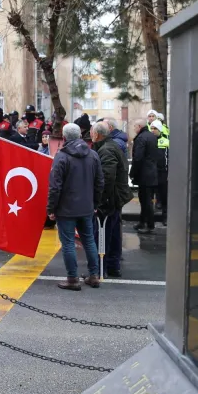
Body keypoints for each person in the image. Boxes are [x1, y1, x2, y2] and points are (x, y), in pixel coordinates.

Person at [47, 123, 104, 290]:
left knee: (68, 243)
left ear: (64, 138)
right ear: (80, 135)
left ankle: (72, 279)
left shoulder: (61, 156)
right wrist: (95, 203)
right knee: (89, 240)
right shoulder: (93, 155)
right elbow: (100, 182)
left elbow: (55, 186)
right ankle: (94, 276)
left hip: (66, 209)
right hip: (86, 207)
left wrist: (51, 208)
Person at [92, 121, 132, 278]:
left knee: (103, 234)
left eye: (92, 132)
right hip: (116, 197)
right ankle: (113, 267)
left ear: (97, 134)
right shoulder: (110, 146)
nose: (91, 135)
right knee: (114, 233)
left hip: (110, 199)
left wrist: (100, 201)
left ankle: (100, 269)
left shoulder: (107, 149)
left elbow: (107, 178)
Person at [129, 118, 158, 234]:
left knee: (146, 201)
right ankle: (142, 222)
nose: (134, 128)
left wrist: (132, 173)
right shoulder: (151, 136)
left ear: (139, 126)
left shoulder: (141, 138)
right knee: (146, 199)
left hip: (144, 174)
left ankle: (149, 224)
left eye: (135, 126)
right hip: (151, 172)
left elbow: (138, 158)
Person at [151, 120, 169, 225]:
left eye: (155, 129)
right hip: (152, 172)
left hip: (163, 172)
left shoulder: (165, 141)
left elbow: (168, 158)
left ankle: (165, 216)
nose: (153, 131)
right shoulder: (149, 140)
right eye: (152, 128)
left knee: (164, 196)